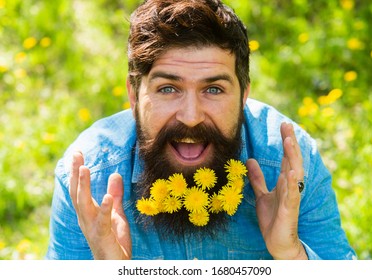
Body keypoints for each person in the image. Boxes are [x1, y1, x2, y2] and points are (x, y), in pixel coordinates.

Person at [46, 0, 356, 260]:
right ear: (133, 95)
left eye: (214, 89)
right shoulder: (88, 181)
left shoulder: (289, 167)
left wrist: (292, 257)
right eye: (168, 89)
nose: (191, 117)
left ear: (244, 94)